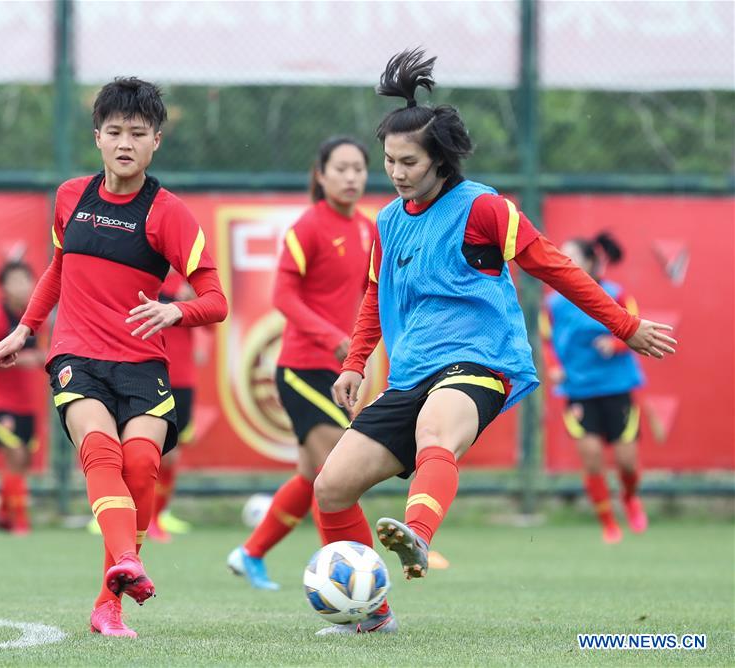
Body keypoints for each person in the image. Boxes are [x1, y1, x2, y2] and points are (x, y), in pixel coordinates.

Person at [312, 49, 677, 634]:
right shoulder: (387, 221)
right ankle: (371, 616)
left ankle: (419, 537)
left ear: (440, 161)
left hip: (479, 363)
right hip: (410, 373)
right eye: (390, 161)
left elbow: (556, 268)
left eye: (409, 162)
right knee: (330, 487)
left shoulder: (484, 208)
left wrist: (626, 326)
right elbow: (373, 299)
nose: (397, 172)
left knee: (438, 431)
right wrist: (356, 362)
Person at [0, 77, 227, 639]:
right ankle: (130, 562)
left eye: (137, 133)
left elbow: (216, 300)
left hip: (143, 364)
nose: (125, 142)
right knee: (100, 450)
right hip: (78, 355)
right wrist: (26, 329)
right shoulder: (71, 196)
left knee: (142, 463)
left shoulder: (169, 214)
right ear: (97, 136)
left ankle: (108, 603)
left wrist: (176, 313)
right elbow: (57, 268)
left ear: (156, 143)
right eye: (115, 131)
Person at [226, 136, 374, 590]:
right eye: (341, 169)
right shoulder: (308, 227)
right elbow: (282, 297)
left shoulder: (370, 229)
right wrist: (334, 338)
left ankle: (250, 553)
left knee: (315, 475)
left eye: (358, 169)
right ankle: (355, 569)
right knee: (341, 470)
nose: (350, 177)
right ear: (320, 174)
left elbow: (374, 296)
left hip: (339, 370)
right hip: (302, 369)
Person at [542, 233, 647, 544]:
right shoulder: (554, 303)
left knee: (627, 462)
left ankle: (629, 497)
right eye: (561, 255)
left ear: (589, 262)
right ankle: (608, 524)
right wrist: (554, 367)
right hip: (579, 390)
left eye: (572, 256)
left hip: (617, 387)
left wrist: (615, 343)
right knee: (591, 458)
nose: (564, 260)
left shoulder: (615, 293)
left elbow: (636, 328)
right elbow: (547, 340)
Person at [0, 260, 44, 536]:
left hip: (28, 403)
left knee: (24, 461)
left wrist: (42, 358)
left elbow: (45, 351)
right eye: (14, 281)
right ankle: (21, 522)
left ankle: (2, 514)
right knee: (14, 456)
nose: (22, 286)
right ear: (3, 288)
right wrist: (17, 358)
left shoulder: (36, 318)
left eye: (26, 280)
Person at [145, 268, 201, 543]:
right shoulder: (144, 276)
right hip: (151, 372)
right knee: (147, 450)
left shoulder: (187, 282)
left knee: (172, 454)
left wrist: (190, 304)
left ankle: (158, 515)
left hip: (183, 378)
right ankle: (142, 516)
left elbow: (211, 319)